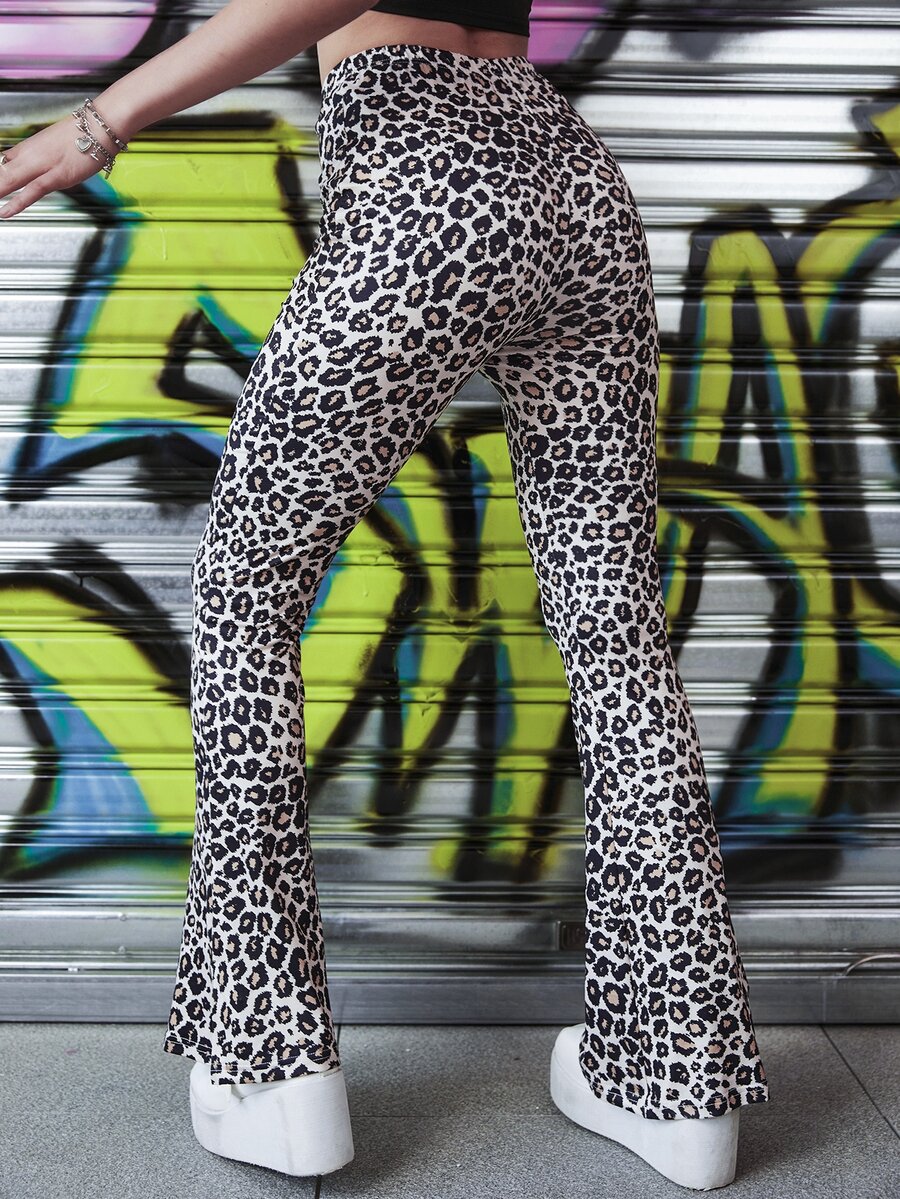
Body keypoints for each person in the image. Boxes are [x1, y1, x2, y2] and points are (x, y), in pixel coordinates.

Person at [0, 0, 770, 1188]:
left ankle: (270, 1068)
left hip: (429, 182)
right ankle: (676, 1079)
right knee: (618, 629)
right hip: (575, 182)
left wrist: (104, 119)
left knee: (248, 593)